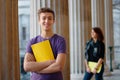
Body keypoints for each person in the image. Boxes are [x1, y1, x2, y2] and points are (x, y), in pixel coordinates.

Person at [23, 7, 66, 80]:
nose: (47, 21)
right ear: (39, 21)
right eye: (44, 18)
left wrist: (37, 69)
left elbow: (59, 66)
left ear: (53, 21)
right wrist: (50, 62)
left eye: (49, 18)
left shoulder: (60, 40)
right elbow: (27, 66)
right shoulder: (32, 42)